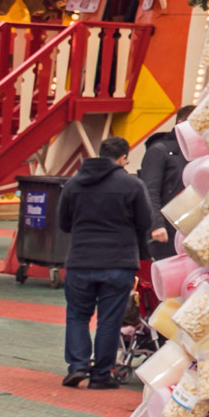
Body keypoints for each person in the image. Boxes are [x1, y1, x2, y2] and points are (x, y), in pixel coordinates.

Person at [59, 135, 164, 388]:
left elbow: (63, 223)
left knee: (77, 315)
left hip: (81, 259)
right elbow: (144, 221)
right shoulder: (131, 185)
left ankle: (77, 365)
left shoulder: (74, 184)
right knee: (109, 319)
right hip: (118, 262)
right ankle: (101, 374)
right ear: (122, 158)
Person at [136, 111, 191, 262]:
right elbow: (149, 190)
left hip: (192, 229)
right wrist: (156, 224)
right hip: (167, 232)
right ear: (181, 123)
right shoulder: (159, 150)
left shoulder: (199, 153)